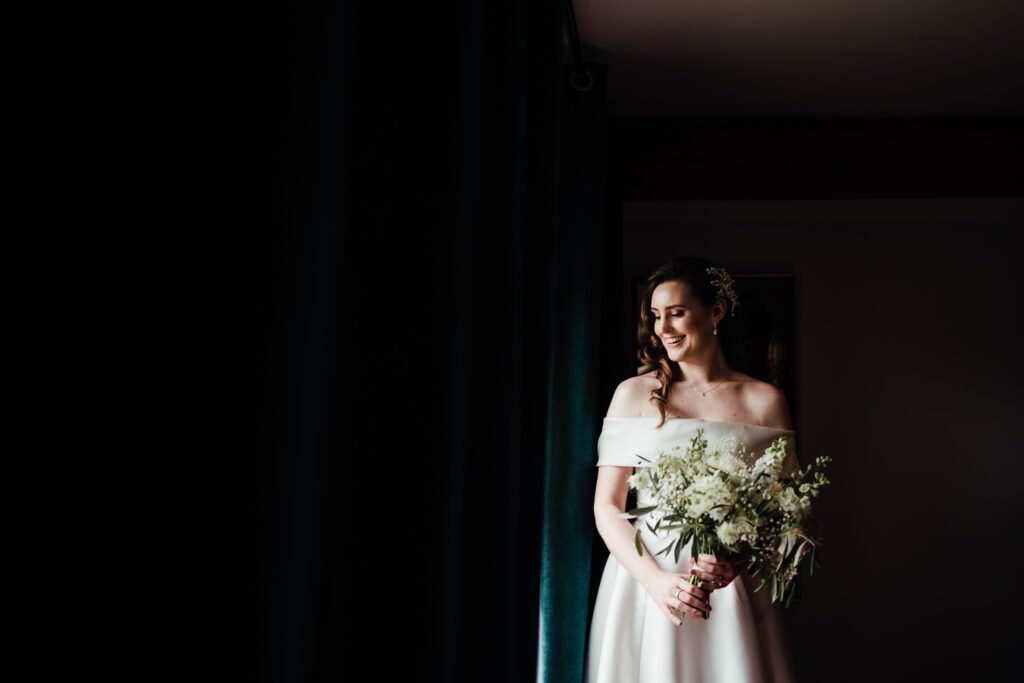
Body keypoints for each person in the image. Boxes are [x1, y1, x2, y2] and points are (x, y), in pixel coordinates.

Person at [585, 256, 800, 682]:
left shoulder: (765, 402)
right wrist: (656, 582)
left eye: (677, 313)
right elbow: (607, 507)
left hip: (727, 586)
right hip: (645, 581)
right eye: (656, 315)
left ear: (715, 311)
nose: (662, 328)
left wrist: (737, 561)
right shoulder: (633, 395)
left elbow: (788, 515)